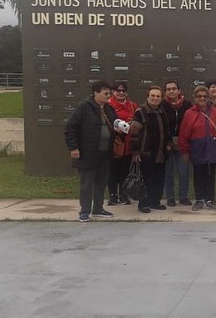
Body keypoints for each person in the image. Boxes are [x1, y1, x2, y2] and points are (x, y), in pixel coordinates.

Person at [64, 80, 118, 223]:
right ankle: (84, 212)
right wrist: (73, 147)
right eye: (105, 93)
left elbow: (115, 123)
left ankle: (98, 209)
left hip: (105, 153)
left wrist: (120, 126)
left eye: (109, 93)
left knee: (101, 182)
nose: (109, 96)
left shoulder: (109, 108)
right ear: (95, 93)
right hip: (88, 153)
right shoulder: (84, 107)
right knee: (87, 184)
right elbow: (70, 128)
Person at [178, 86, 216, 212]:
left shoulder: (215, 112)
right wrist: (184, 151)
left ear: (208, 98)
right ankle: (199, 200)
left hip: (212, 147)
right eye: (199, 96)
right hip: (197, 148)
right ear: (194, 98)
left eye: (204, 96)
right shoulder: (189, 113)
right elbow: (183, 133)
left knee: (210, 175)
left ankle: (210, 200)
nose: (202, 98)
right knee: (198, 175)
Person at [131, 85, 172, 213]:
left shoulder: (162, 111)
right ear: (147, 97)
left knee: (159, 178)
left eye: (158, 96)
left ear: (161, 98)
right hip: (146, 152)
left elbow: (166, 130)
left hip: (161, 152)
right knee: (146, 179)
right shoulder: (140, 112)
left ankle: (155, 202)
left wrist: (168, 144)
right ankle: (143, 204)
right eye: (153, 96)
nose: (155, 98)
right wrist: (135, 152)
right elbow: (134, 133)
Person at [161, 80, 193, 207]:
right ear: (165, 92)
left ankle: (183, 196)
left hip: (182, 143)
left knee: (183, 171)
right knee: (167, 172)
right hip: (167, 144)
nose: (171, 91)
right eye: (168, 89)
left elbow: (190, 124)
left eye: (174, 89)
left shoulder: (187, 104)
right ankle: (170, 197)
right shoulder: (161, 105)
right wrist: (167, 141)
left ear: (179, 91)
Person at [106, 80, 138, 206]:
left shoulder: (133, 105)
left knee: (125, 171)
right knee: (112, 170)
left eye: (123, 90)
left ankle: (124, 195)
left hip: (128, 143)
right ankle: (113, 195)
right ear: (113, 92)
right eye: (118, 90)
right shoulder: (108, 105)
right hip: (114, 143)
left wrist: (131, 124)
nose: (120, 93)